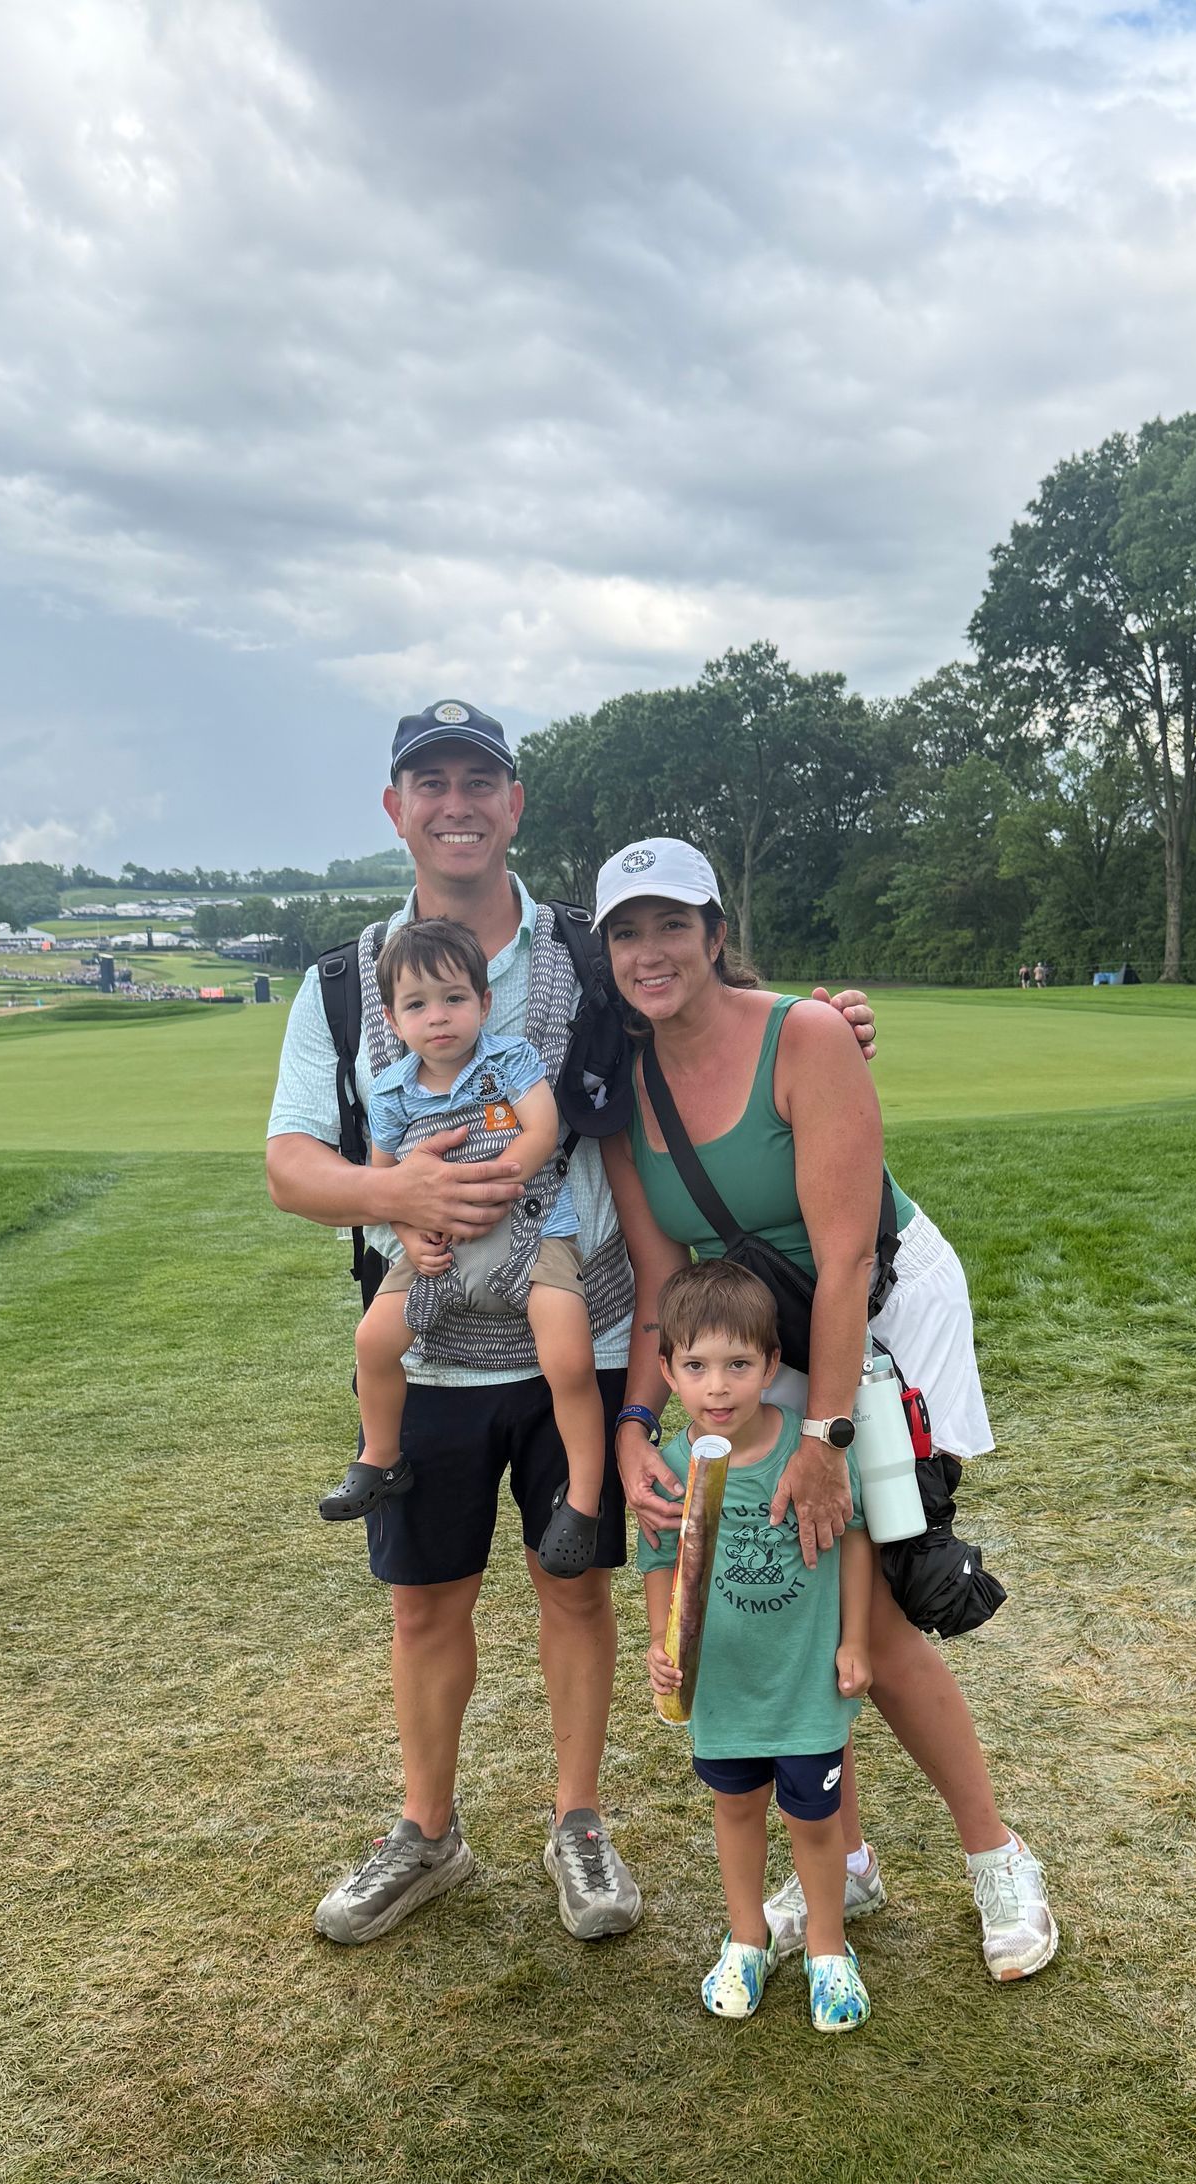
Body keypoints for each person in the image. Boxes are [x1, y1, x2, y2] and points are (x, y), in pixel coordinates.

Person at [265, 696, 882, 1949]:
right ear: (395, 809)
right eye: (427, 782)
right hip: (432, 1334)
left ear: (513, 804)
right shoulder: (347, 986)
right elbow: (289, 1166)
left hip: (585, 1339)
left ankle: (579, 1823)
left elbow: (704, 1004)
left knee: (572, 1586)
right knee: (424, 1603)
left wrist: (833, 1024)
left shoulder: (587, 954)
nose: (454, 803)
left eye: (477, 779)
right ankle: (426, 1832)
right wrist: (397, 1191)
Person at [599, 838, 1058, 1984]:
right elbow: (666, 1290)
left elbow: (848, 1257)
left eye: (671, 925)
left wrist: (824, 1440)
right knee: (792, 1577)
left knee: (888, 1597)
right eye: (625, 931)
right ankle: (840, 1858)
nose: (649, 952)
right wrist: (635, 1427)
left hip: (885, 1310)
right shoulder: (628, 1085)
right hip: (764, 1335)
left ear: (715, 932)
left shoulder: (803, 1035)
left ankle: (998, 1857)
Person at [316, 915, 605, 1576]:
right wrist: (412, 1235)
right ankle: (381, 1458)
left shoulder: (507, 1060)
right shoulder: (392, 1091)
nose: (438, 1017)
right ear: (392, 1019)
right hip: (434, 1246)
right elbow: (381, 1178)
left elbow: (542, 1128)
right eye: (417, 1005)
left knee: (569, 1356)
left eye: (453, 999)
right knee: (373, 1343)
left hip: (529, 1230)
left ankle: (584, 1496)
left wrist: (497, 1185)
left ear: (485, 1003)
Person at [639, 1262, 875, 2032]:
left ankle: (827, 1950)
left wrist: (855, 1642)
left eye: (738, 1365)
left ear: (772, 1367)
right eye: (697, 1366)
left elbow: (855, 1541)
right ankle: (746, 1938)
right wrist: (662, 1649)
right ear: (668, 1372)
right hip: (724, 1687)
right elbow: (661, 1566)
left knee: (817, 1820)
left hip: (805, 1681)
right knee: (735, 1810)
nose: (718, 1387)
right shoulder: (672, 1472)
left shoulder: (806, 1460)